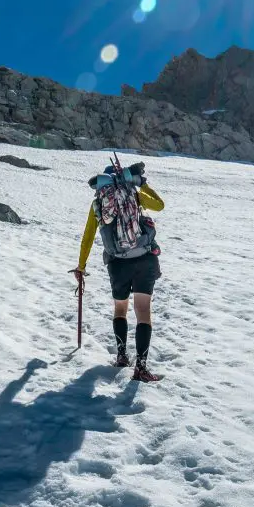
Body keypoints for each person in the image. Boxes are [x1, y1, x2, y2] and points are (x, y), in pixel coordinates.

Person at [73, 161, 165, 382]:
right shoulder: (134, 195)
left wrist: (81, 266)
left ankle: (122, 356)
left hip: (117, 264)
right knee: (143, 310)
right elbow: (159, 205)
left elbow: (88, 237)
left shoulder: (98, 204)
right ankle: (141, 368)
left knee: (120, 309)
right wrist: (142, 183)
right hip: (144, 260)